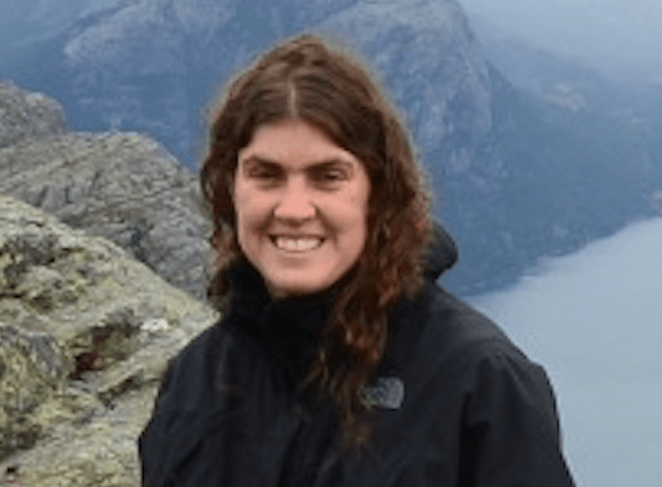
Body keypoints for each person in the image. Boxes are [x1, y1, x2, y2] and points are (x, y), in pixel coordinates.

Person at [139, 34, 576, 486]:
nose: (293, 210)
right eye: (265, 174)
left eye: (328, 176)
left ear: (379, 193)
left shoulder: (478, 380)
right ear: (230, 189)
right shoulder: (195, 378)